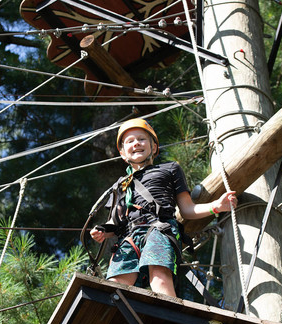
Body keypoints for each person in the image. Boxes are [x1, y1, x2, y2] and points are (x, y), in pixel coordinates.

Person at [90, 118, 237, 297]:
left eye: (142, 139)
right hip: (128, 236)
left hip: (158, 228)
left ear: (153, 147)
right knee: (116, 284)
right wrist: (104, 231)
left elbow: (187, 209)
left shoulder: (169, 169)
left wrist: (216, 207)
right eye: (130, 141)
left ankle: (169, 316)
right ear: (122, 153)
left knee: (159, 277)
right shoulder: (120, 185)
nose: (136, 143)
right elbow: (116, 220)